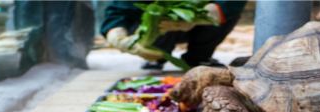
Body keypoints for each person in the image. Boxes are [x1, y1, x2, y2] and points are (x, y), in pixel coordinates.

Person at [101, 1, 247, 69]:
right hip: (160, 27)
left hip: (199, 23)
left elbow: (232, 3)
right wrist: (120, 40)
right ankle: (156, 57)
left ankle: (198, 57)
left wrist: (203, 16)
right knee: (157, 18)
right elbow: (116, 12)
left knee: (227, 14)